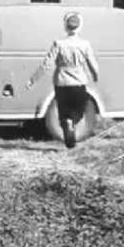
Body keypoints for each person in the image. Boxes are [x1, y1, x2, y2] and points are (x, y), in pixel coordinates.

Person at [25, 12, 99, 148]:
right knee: (80, 109)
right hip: (79, 82)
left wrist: (32, 80)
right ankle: (72, 124)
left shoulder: (58, 44)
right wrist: (95, 76)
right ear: (80, 27)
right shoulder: (85, 45)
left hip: (62, 82)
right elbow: (93, 64)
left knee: (64, 111)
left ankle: (68, 126)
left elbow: (46, 64)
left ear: (65, 27)